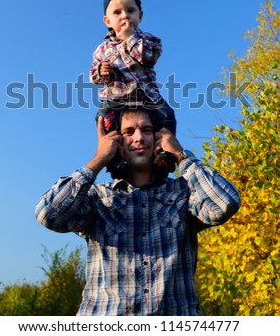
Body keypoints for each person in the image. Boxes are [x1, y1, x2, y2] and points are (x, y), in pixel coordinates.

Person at [35, 106, 241, 316]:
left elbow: (225, 203)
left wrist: (181, 156)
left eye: (147, 130)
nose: (139, 138)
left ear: (160, 138)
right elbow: (48, 214)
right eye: (128, 132)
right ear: (115, 140)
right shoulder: (97, 197)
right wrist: (98, 160)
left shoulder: (183, 193)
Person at [90, 0, 177, 178]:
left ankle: (164, 154)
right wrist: (100, 72)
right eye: (117, 13)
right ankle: (115, 160)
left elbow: (148, 58)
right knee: (103, 120)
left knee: (167, 114)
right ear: (108, 21)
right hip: (116, 98)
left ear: (140, 15)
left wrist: (130, 38)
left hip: (146, 95)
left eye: (130, 11)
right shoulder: (102, 49)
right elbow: (94, 77)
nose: (125, 16)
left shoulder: (149, 40)